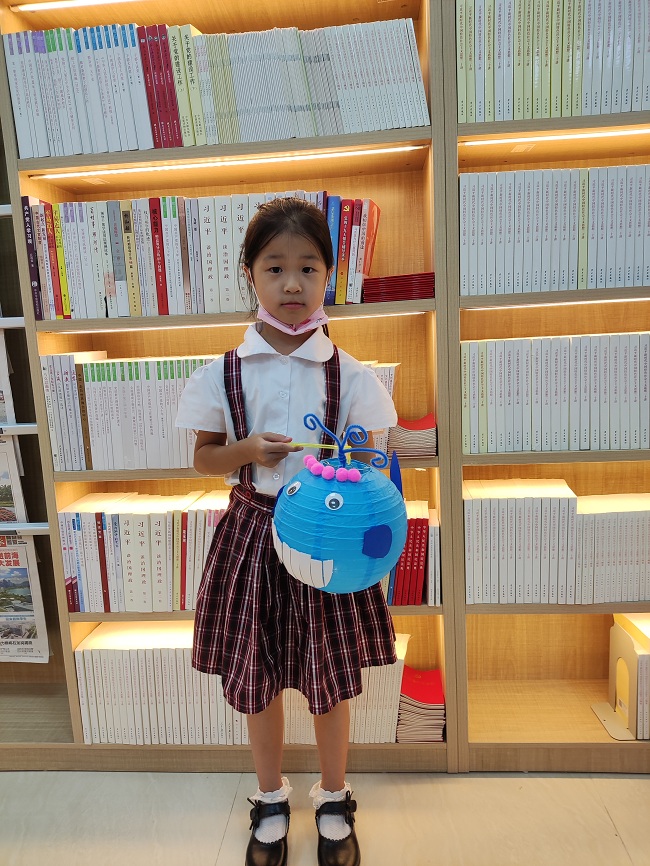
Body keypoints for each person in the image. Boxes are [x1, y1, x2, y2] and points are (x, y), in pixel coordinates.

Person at [175, 197, 398, 866]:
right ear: (250, 273)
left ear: (329, 274)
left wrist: (350, 463)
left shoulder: (349, 374)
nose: (293, 283)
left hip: (326, 544)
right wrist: (247, 450)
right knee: (258, 677)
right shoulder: (223, 372)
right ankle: (270, 796)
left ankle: (333, 796)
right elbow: (204, 458)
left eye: (308, 267)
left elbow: (373, 461)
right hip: (252, 536)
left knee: (327, 679)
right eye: (276, 267)